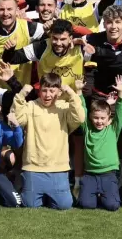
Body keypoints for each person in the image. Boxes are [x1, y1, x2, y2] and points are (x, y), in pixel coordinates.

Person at [10, 73, 85, 210]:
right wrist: (21, 95)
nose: (47, 94)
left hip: (58, 168)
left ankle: (50, 194)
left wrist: (71, 94)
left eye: (52, 90)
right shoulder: (31, 105)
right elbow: (18, 118)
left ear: (59, 91)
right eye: (44, 90)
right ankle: (41, 193)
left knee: (64, 205)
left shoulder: (64, 107)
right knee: (29, 204)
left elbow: (79, 118)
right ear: (39, 91)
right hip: (33, 167)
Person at [78, 75, 122, 211]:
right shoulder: (87, 129)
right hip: (90, 174)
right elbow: (82, 109)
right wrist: (79, 92)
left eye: (102, 118)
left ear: (109, 118)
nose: (99, 121)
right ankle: (94, 193)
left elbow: (121, 112)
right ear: (91, 118)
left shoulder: (112, 129)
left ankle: (104, 194)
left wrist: (121, 93)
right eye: (96, 118)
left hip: (109, 173)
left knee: (112, 205)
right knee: (87, 205)